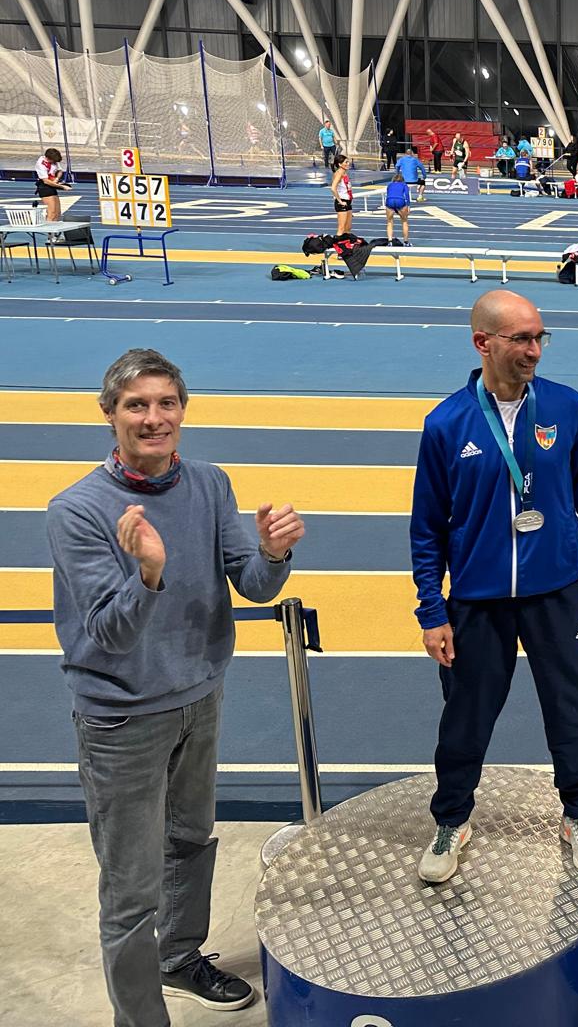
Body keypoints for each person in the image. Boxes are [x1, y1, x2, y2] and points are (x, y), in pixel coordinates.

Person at [47, 348, 303, 1022]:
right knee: (130, 892)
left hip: (199, 699)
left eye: (166, 403)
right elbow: (108, 633)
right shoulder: (77, 510)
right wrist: (149, 574)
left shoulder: (211, 485)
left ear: (183, 411)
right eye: (136, 405)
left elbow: (253, 584)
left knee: (190, 840)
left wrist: (273, 553)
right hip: (120, 719)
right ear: (109, 415)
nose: (153, 418)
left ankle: (179, 957)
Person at [410, 290, 578, 884]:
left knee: (570, 705)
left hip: (556, 589)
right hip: (477, 599)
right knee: (466, 716)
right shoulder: (446, 424)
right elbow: (427, 528)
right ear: (483, 343)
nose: (535, 350)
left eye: (540, 338)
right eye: (522, 339)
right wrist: (432, 610)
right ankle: (452, 819)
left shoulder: (566, 407)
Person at [34, 146, 70, 222]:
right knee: (51, 213)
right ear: (48, 158)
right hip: (44, 187)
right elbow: (46, 181)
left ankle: (55, 229)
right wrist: (62, 187)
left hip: (52, 185)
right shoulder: (41, 164)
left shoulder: (54, 161)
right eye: (53, 161)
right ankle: (49, 229)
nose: (55, 163)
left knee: (57, 213)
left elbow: (60, 171)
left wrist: (57, 179)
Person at [384, 168, 412, 245]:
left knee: (389, 222)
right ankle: (406, 242)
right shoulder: (404, 185)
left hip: (390, 201)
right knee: (404, 221)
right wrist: (408, 206)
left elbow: (388, 194)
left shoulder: (390, 185)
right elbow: (407, 195)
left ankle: (390, 242)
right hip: (400, 201)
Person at [330, 153, 354, 237]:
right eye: (346, 162)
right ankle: (337, 243)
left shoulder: (344, 173)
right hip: (342, 202)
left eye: (348, 162)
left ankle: (346, 243)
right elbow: (333, 188)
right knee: (341, 228)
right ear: (340, 164)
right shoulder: (339, 174)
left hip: (348, 201)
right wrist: (340, 201)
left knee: (348, 228)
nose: (348, 164)